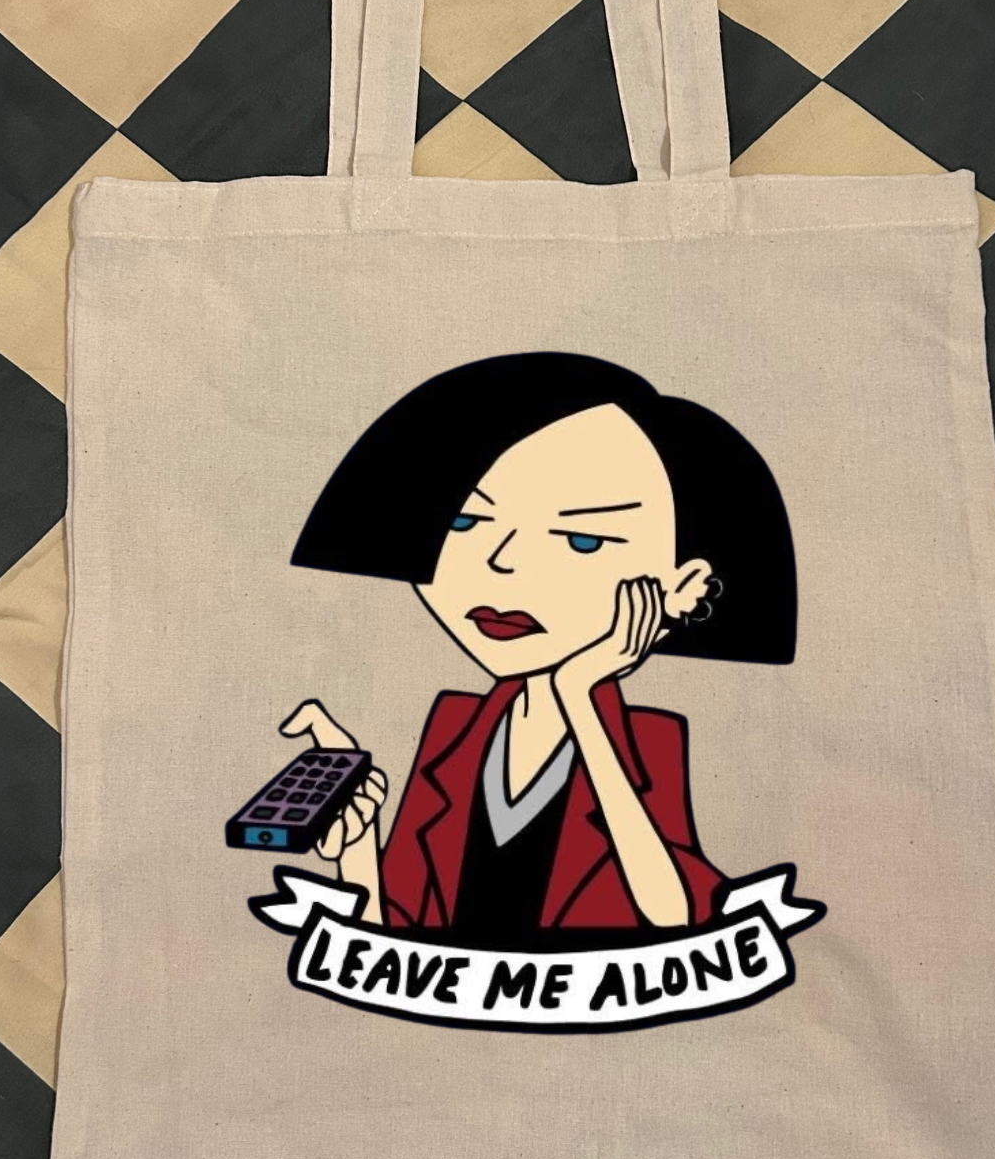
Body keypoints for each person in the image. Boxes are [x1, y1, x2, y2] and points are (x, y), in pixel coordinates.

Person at [282, 352, 796, 942]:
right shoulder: (454, 730)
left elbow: (674, 918)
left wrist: (579, 694)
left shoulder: (651, 741)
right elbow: (400, 932)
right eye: (464, 523)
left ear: (683, 586)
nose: (502, 564)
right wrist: (359, 843)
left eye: (582, 540)